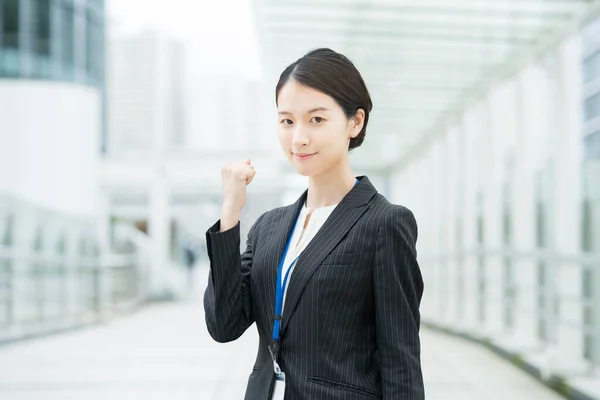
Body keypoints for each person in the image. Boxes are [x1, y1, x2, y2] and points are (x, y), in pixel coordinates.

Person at [203, 48, 424, 400]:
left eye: (316, 120)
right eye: (287, 121)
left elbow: (401, 362)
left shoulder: (384, 223)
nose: (298, 138)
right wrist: (230, 213)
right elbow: (223, 324)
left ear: (355, 122)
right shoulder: (268, 228)